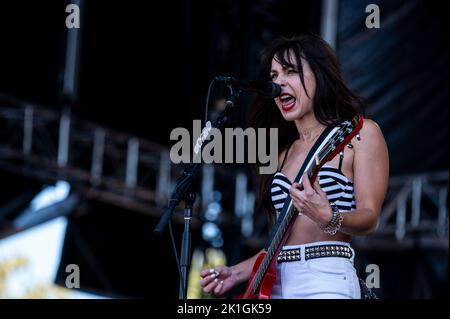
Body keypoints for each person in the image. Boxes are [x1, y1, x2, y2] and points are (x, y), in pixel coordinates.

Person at [199, 33, 389, 299]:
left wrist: (330, 217)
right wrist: (237, 272)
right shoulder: (282, 152)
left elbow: (370, 218)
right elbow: (282, 239)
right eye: (274, 76)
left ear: (320, 75)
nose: (278, 83)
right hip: (275, 281)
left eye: (290, 72)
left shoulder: (361, 134)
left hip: (326, 278)